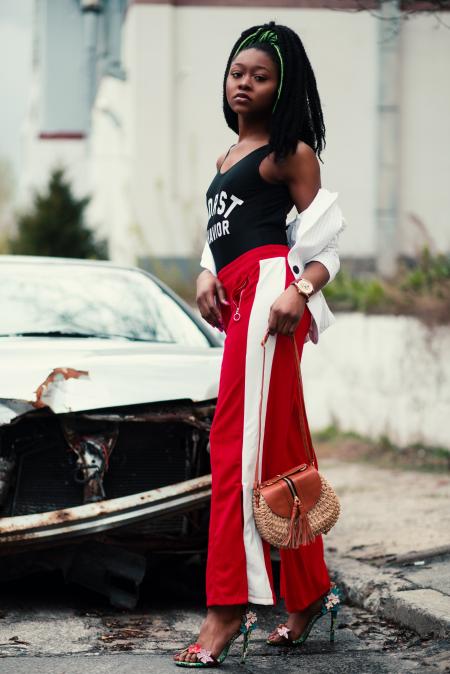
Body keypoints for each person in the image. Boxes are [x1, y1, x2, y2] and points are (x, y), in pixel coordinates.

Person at [174, 20, 346, 668]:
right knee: (276, 451)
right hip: (240, 298)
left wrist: (297, 292)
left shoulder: (289, 152)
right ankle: (308, 594)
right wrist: (203, 274)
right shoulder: (225, 159)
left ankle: (226, 610)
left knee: (234, 452)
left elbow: (327, 245)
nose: (244, 82)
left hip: (273, 298)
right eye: (237, 72)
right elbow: (218, 236)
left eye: (260, 75)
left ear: (282, 86)